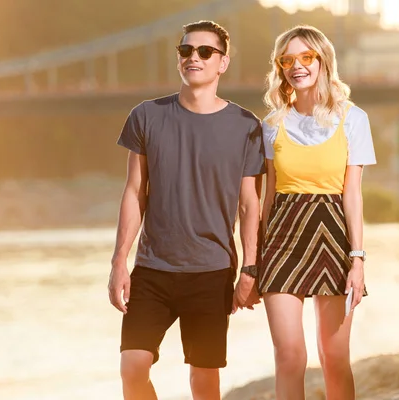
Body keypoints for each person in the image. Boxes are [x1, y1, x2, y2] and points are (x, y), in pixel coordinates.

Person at [107, 20, 265, 400]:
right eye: (186, 50)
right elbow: (134, 192)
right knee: (132, 367)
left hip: (211, 272)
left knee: (204, 380)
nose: (193, 57)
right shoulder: (146, 115)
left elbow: (249, 203)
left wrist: (250, 269)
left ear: (222, 63)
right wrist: (118, 262)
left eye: (205, 51)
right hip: (152, 269)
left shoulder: (247, 126)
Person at [258, 25, 376, 400]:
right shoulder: (271, 125)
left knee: (334, 356)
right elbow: (268, 196)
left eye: (306, 57)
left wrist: (357, 258)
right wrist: (256, 255)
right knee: (290, 356)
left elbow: (352, 194)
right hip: (281, 242)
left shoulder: (353, 118)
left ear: (323, 60)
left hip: (334, 241)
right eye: (287, 59)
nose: (297, 66)